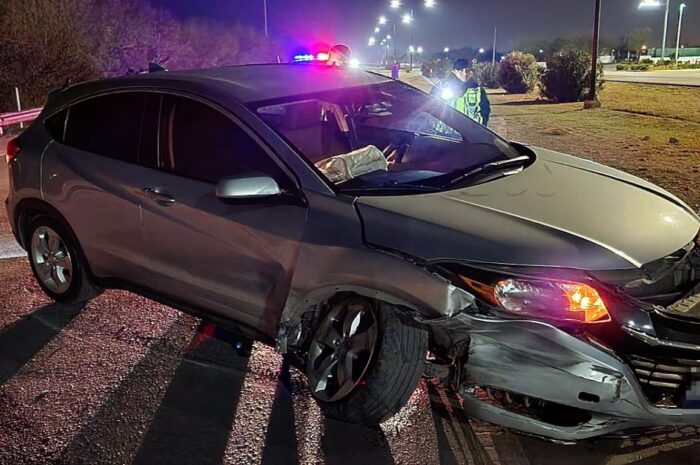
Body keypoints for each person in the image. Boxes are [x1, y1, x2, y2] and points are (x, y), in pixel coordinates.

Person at [432, 59, 491, 127]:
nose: (465, 74)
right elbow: (430, 107)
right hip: (443, 134)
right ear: (454, 71)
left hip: (468, 134)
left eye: (467, 71)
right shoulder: (440, 88)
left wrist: (480, 130)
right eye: (460, 71)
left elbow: (484, 113)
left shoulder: (478, 91)